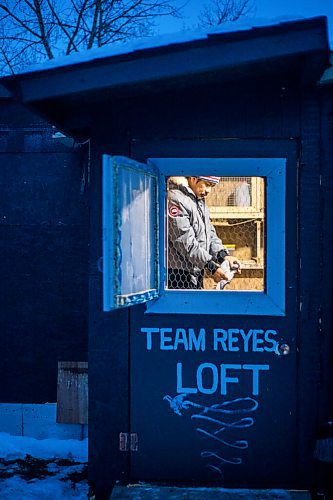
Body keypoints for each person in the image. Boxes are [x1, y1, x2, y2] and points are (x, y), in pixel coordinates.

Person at [167, 176, 241, 290]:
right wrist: (211, 266)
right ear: (193, 179)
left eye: (212, 186)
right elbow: (184, 241)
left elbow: (210, 234)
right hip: (177, 273)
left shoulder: (198, 202)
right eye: (206, 184)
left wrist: (223, 256)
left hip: (196, 271)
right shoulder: (175, 199)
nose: (208, 191)